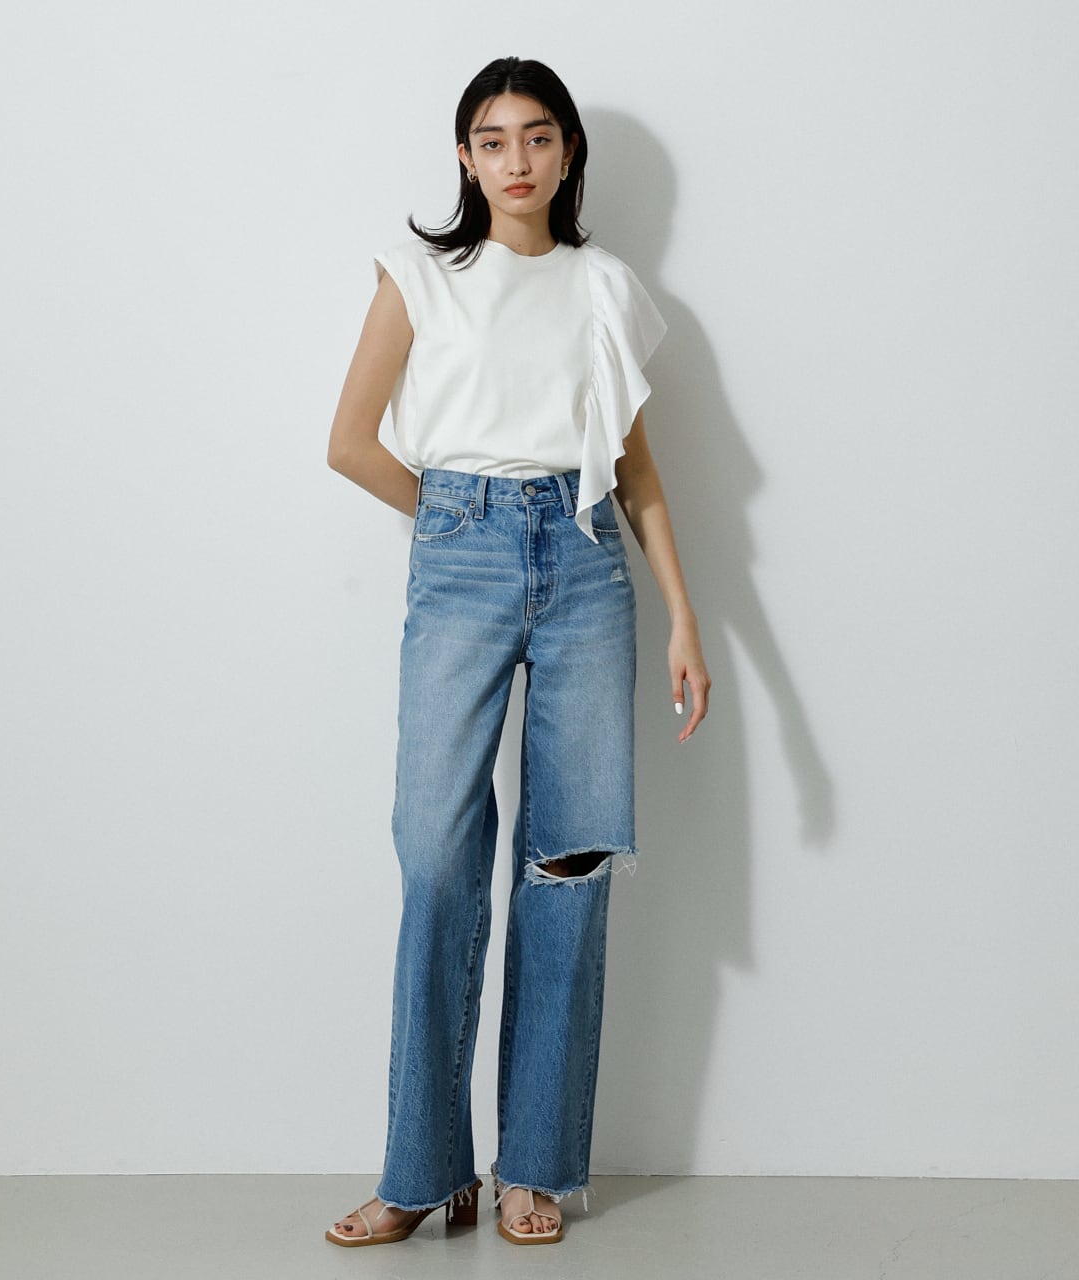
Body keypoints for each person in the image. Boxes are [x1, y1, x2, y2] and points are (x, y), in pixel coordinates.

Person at [324, 56, 710, 1249]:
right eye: (492, 141)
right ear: (465, 157)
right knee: (436, 857)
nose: (517, 160)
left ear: (567, 150)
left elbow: (636, 468)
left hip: (588, 567)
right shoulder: (417, 277)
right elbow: (349, 441)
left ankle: (534, 1166)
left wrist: (683, 615)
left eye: (538, 137)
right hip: (462, 558)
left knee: (567, 866)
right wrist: (457, 519)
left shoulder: (604, 287)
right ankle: (423, 1169)